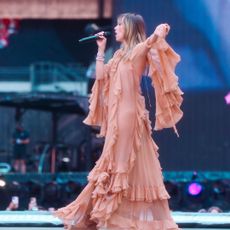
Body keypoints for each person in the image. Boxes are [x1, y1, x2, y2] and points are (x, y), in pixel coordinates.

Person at [54, 13, 183, 229]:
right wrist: (101, 51)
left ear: (129, 29)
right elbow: (101, 75)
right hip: (116, 115)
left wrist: (160, 30)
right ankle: (109, 216)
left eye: (119, 25)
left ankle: (115, 219)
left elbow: (152, 40)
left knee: (120, 163)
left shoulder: (139, 50)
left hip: (128, 114)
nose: (115, 28)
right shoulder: (119, 56)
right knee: (113, 161)